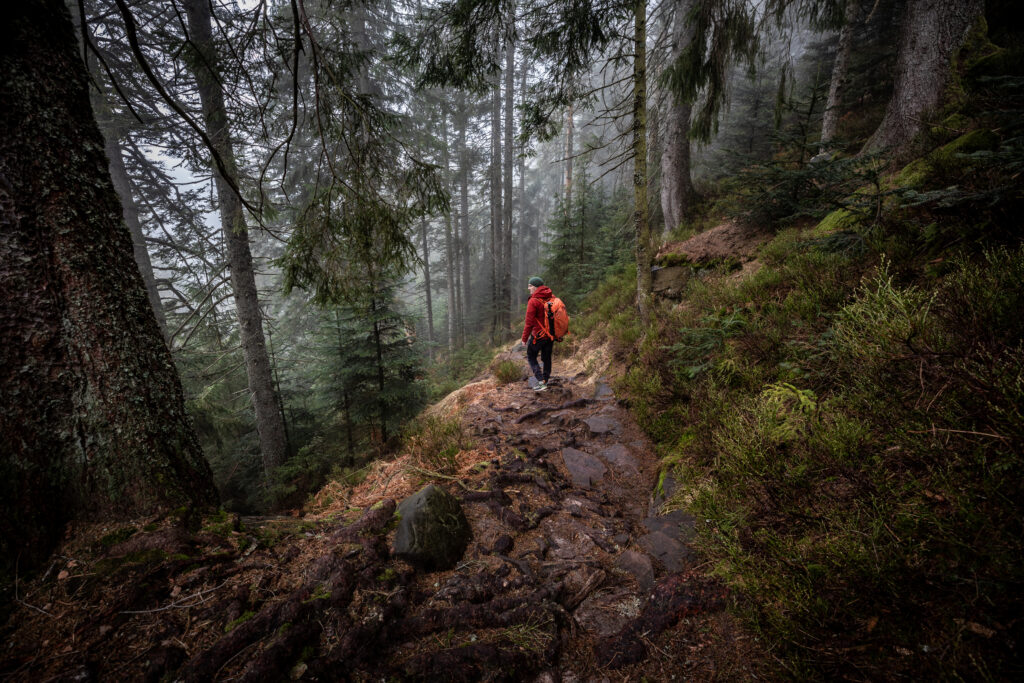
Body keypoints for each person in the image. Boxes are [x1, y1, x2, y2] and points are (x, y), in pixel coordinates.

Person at [521, 276, 554, 392]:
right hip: (550, 335)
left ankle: (540, 381)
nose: (528, 288)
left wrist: (524, 338)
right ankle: (545, 381)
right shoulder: (551, 297)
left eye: (530, 286)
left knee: (531, 356)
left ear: (535, 287)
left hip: (538, 335)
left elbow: (529, 323)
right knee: (546, 358)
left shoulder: (533, 301)